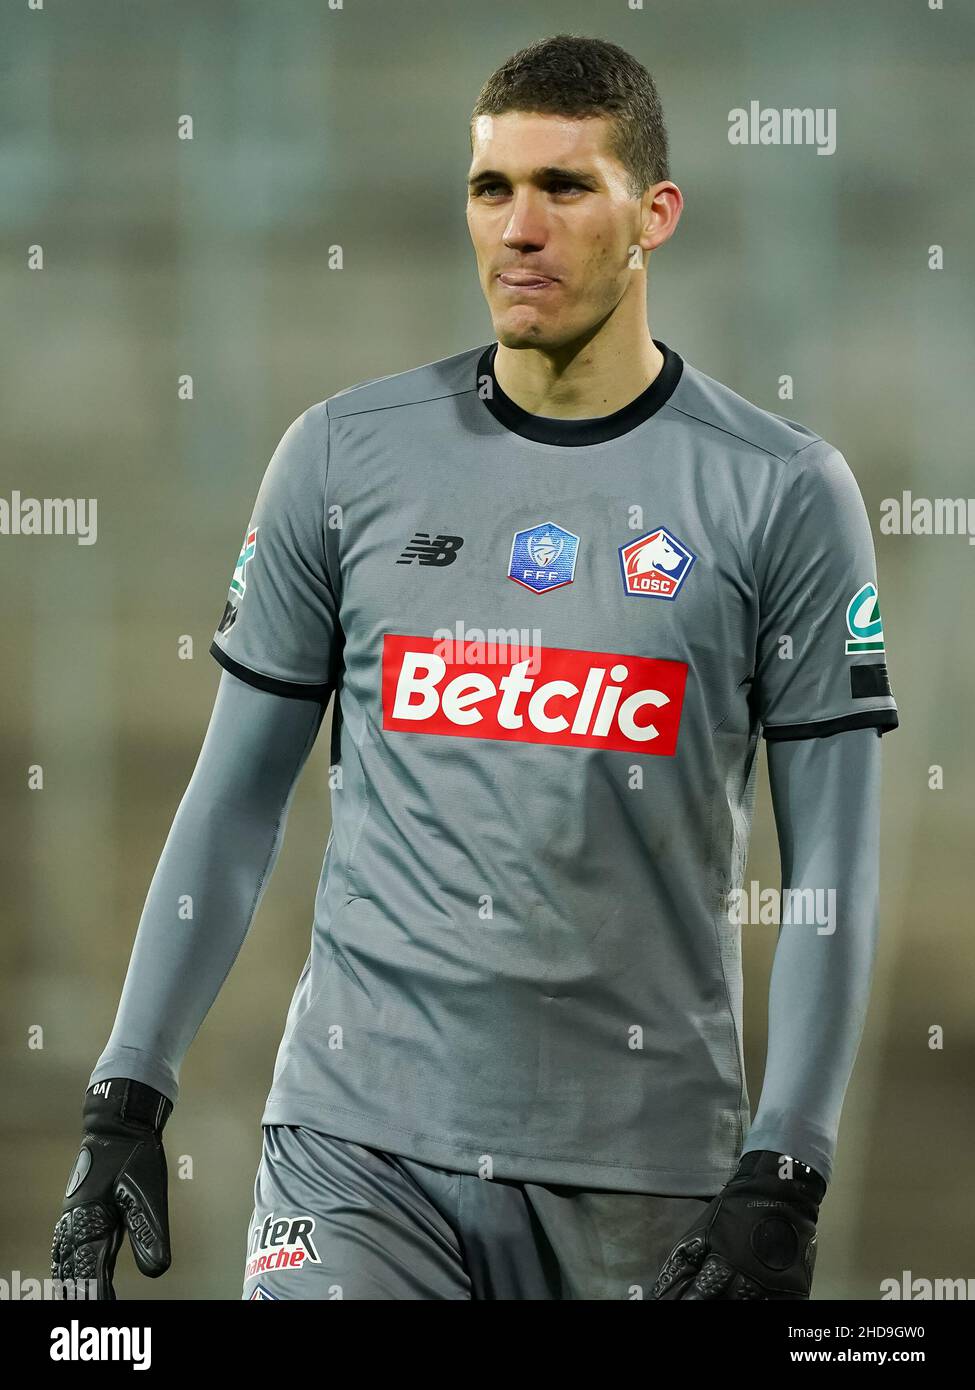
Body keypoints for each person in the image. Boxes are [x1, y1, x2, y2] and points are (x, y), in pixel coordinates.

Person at [52, 33, 898, 1301]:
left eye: (565, 187)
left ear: (654, 214)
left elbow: (832, 860)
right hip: (358, 1150)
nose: (519, 227)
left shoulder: (780, 492)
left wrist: (791, 1159)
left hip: (646, 1178)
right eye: (491, 188)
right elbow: (233, 798)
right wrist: (130, 1083)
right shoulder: (343, 458)